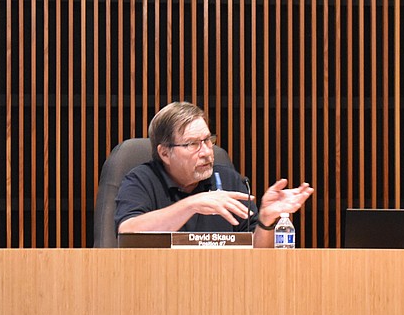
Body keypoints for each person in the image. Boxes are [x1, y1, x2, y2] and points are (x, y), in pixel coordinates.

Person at [115, 101, 314, 248]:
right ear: (165, 153)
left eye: (208, 140)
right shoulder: (141, 180)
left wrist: (266, 220)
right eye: (193, 144)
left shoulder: (228, 180)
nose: (206, 152)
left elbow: (258, 254)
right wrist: (192, 205)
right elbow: (128, 232)